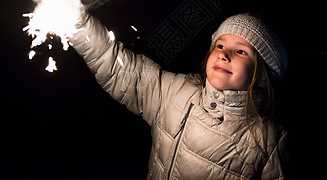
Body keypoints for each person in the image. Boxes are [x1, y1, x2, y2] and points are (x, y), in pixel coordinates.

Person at [70, 12, 290, 179]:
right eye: (220, 45)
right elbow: (126, 72)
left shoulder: (269, 142)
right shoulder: (176, 92)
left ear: (262, 75)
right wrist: (79, 22)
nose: (223, 54)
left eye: (240, 51)